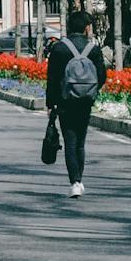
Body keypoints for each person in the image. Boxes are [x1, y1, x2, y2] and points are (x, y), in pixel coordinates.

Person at [46, 10, 105, 198]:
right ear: (87, 28)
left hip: (65, 101)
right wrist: (90, 91)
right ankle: (79, 179)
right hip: (85, 102)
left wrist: (51, 103)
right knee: (81, 142)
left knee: (70, 142)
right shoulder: (93, 49)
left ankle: (75, 182)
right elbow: (102, 76)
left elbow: (52, 78)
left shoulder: (59, 48)